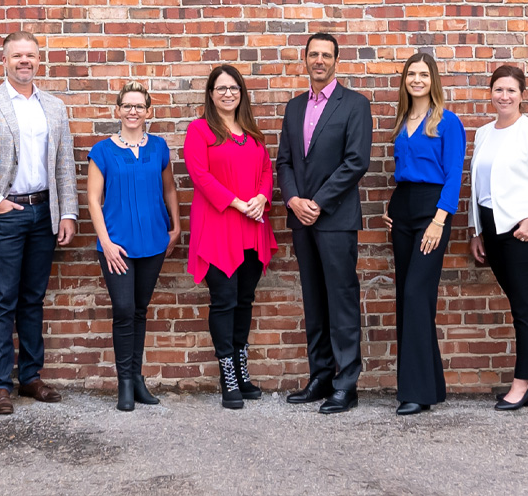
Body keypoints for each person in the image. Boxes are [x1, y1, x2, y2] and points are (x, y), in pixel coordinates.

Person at [0, 31, 78, 415]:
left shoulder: (53, 107)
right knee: (2, 300)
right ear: (4, 61)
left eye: (32, 56)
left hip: (44, 213)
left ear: (40, 61)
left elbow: (63, 165)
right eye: (18, 55)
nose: (25, 61)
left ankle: (31, 377)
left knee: (33, 299)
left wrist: (68, 212)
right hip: (6, 215)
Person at [276, 32, 373, 414]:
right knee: (314, 301)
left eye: (326, 55)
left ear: (336, 60)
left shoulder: (355, 105)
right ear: (305, 59)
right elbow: (284, 161)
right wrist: (294, 200)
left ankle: (346, 382)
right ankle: (320, 376)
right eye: (313, 54)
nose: (319, 60)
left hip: (335, 218)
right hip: (302, 219)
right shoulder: (295, 107)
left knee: (342, 300)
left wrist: (317, 201)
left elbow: (356, 162)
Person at [469, 65, 528, 411]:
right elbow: (477, 187)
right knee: (524, 302)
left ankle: (521, 382)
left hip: (526, 231)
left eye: (511, 90)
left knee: (522, 306)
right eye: (498, 90)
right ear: (491, 94)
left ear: (522, 95)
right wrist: (476, 229)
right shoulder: (483, 133)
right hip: (492, 228)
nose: (504, 96)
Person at [184, 65, 278, 409]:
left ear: (242, 93)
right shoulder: (200, 130)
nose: (227, 93)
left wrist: (263, 198)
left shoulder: (252, 133)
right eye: (220, 88)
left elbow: (267, 170)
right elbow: (200, 175)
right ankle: (227, 376)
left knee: (245, 299)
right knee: (224, 300)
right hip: (219, 225)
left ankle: (242, 371)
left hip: (252, 224)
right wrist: (238, 202)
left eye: (233, 87)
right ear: (211, 94)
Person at [86, 81, 181, 412]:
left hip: (153, 241)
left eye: (139, 106)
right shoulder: (102, 151)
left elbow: (169, 189)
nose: (133, 111)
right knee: (124, 310)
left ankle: (137, 379)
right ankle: (125, 383)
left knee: (140, 310)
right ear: (117, 110)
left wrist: (177, 225)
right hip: (118, 246)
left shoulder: (158, 148)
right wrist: (106, 243)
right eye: (127, 105)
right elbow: (94, 201)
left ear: (148, 112)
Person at [381, 53, 466, 416]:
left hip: (433, 211)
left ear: (433, 80)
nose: (417, 80)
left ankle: (416, 392)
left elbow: (454, 174)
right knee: (406, 297)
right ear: (405, 80)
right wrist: (392, 206)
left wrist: (439, 220)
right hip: (403, 210)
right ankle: (427, 385)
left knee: (418, 295)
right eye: (411, 74)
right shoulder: (403, 120)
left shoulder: (447, 122)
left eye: (423, 74)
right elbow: (404, 170)